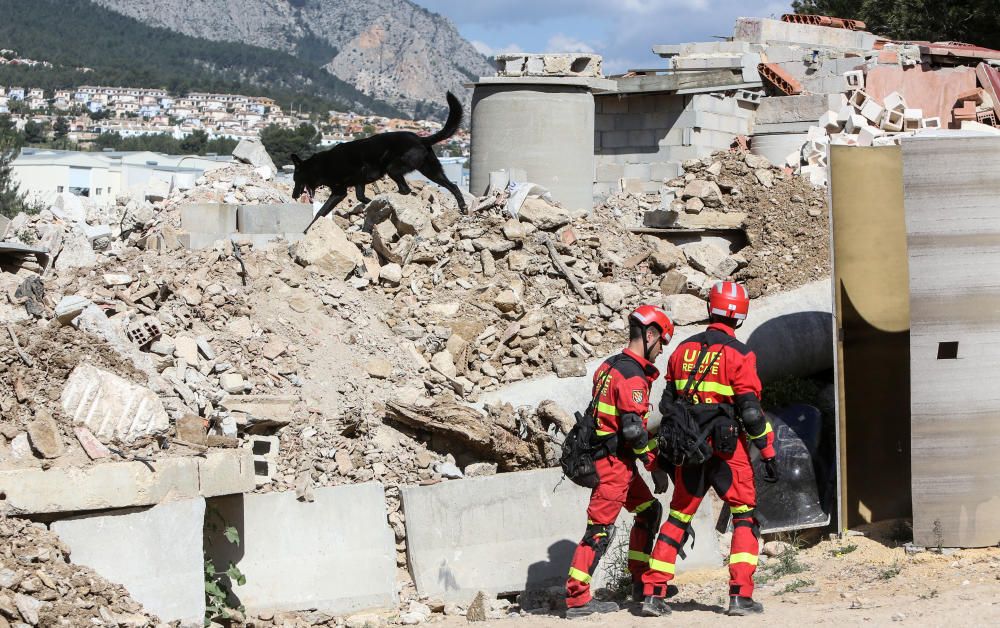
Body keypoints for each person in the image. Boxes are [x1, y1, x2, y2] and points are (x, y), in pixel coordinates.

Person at [640, 281, 779, 617]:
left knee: (677, 517)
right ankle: (739, 596)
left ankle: (653, 594)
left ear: (710, 308)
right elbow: (750, 411)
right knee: (745, 516)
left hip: (687, 449)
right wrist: (769, 451)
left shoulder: (682, 350)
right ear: (740, 314)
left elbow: (668, 403)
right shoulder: (740, 353)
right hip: (726, 451)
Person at [564, 305, 675, 619]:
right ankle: (577, 599)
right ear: (650, 334)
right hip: (612, 465)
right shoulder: (632, 376)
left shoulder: (609, 365)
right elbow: (632, 430)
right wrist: (654, 467)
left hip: (615, 462)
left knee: (649, 510)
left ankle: (640, 581)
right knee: (599, 530)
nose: (661, 350)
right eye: (661, 342)